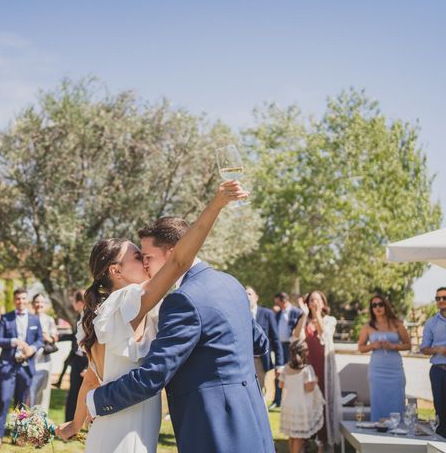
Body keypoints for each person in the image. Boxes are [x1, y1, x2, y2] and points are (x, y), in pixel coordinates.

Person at [59, 182, 274, 453]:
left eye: (145, 256)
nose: (146, 263)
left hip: (198, 421)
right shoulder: (228, 284)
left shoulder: (147, 305)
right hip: (131, 424)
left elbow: (94, 377)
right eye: (139, 257)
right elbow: (261, 345)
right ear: (116, 271)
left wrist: (75, 424)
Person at [0, 288, 44, 450]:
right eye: (18, 299)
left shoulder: (35, 320)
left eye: (23, 299)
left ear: (27, 300)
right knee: (3, 401)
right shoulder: (5, 318)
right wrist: (13, 341)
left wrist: (33, 349)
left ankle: (17, 436)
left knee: (21, 404)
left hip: (26, 367)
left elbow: (40, 339)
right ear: (14, 301)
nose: (21, 302)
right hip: (8, 366)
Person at [293, 291, 342, 452]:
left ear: (323, 302)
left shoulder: (330, 320)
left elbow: (324, 335)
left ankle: (324, 441)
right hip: (307, 369)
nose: (314, 302)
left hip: (323, 368)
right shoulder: (304, 320)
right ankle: (306, 441)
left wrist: (317, 314)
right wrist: (305, 315)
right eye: (311, 300)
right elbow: (297, 337)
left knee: (323, 404)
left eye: (317, 299)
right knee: (306, 404)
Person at [357, 294, 410, 421]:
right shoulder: (368, 326)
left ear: (385, 306)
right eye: (374, 305)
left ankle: (398, 431)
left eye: (380, 304)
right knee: (378, 401)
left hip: (395, 369)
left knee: (397, 400)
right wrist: (373, 346)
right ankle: (378, 431)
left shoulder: (397, 324)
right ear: (371, 309)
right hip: (377, 370)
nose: (377, 307)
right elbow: (361, 348)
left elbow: (408, 345)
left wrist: (393, 346)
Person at [279, 339, 325, 453]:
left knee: (292, 436)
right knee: (298, 437)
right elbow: (309, 389)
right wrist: (315, 381)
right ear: (303, 352)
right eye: (307, 350)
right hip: (300, 406)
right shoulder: (307, 369)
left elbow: (280, 385)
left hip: (288, 405)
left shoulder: (286, 368)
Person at [57, 290, 89, 421]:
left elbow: (92, 343)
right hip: (76, 361)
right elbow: (75, 337)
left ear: (79, 302)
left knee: (85, 394)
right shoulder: (79, 317)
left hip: (86, 362)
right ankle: (69, 423)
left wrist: (88, 366)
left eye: (74, 302)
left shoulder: (90, 318)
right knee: (73, 393)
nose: (72, 305)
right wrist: (58, 337)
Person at [247, 286, 284, 393]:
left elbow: (276, 339)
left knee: (260, 393)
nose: (247, 296)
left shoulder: (267, 314)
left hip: (261, 361)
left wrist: (279, 363)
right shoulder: (240, 314)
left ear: (256, 297)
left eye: (250, 294)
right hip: (245, 362)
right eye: (245, 294)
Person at [420, 286, 446, 437]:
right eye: (438, 298)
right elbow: (424, 348)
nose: (441, 301)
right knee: (441, 411)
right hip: (438, 371)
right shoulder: (431, 323)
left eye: (444, 298)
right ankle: (442, 443)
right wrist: (438, 350)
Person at [271, 291, 303, 409]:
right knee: (278, 373)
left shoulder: (297, 312)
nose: (277, 305)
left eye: (278, 303)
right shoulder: (278, 314)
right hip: (280, 347)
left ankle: (293, 401)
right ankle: (277, 401)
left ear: (284, 301)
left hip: (292, 347)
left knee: (293, 373)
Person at [29, 293, 59, 411]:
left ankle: (41, 421)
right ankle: (26, 421)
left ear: (45, 304)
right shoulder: (29, 317)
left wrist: (46, 337)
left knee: (44, 391)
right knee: (29, 391)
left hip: (44, 360)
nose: (39, 304)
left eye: (41, 302)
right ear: (32, 304)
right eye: (37, 302)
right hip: (30, 360)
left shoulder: (49, 320)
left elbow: (55, 338)